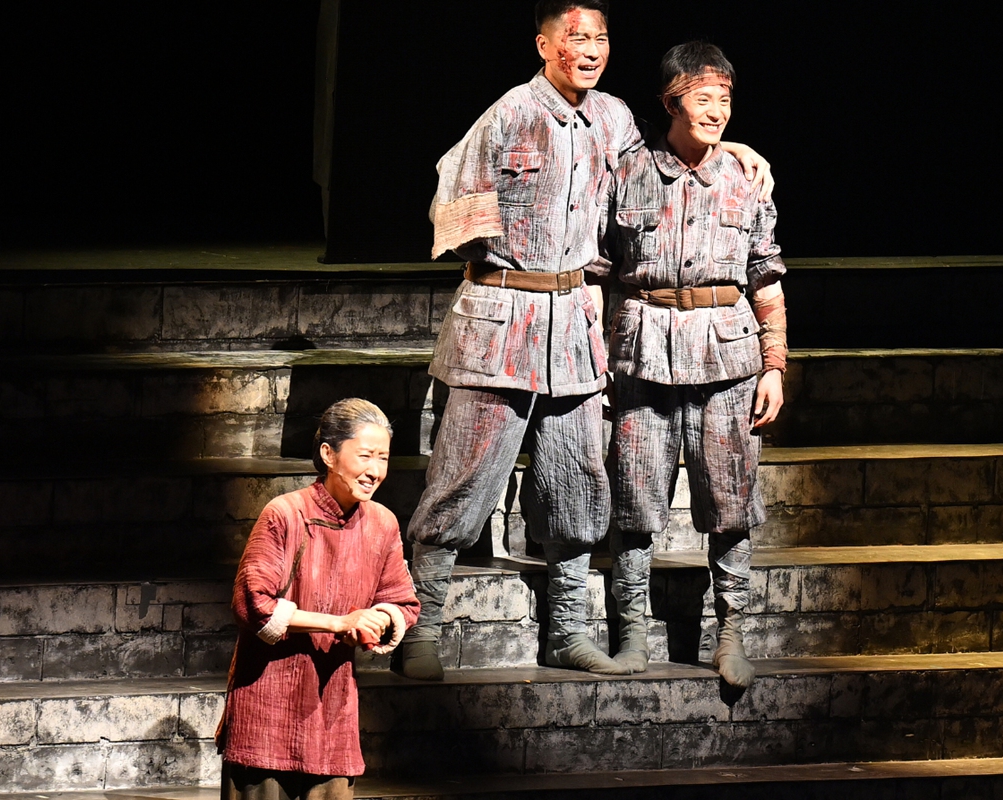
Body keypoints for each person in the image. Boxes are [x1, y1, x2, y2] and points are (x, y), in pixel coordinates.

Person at [403, 0, 774, 681]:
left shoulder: (615, 120)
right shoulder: (509, 112)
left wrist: (731, 149)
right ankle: (420, 630)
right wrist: (499, 255)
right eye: (576, 36)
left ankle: (568, 633)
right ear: (544, 44)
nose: (591, 47)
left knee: (575, 485)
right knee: (461, 481)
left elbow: (662, 169)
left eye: (601, 37)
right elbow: (449, 204)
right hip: (501, 321)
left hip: (575, 330)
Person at [602, 41, 788, 688]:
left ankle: (730, 633)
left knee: (731, 504)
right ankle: (630, 635)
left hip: (729, 360)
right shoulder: (626, 175)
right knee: (634, 504)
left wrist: (774, 366)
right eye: (703, 99)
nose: (716, 112)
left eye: (725, 101)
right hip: (643, 355)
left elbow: (765, 276)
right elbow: (599, 271)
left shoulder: (746, 179)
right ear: (670, 101)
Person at [217, 398, 419, 800]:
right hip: (268, 706)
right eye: (365, 456)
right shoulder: (285, 514)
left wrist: (379, 618)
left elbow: (403, 601)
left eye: (383, 458)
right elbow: (253, 604)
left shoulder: (382, 523)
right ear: (329, 454)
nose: (375, 471)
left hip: (332, 712)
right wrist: (339, 622)